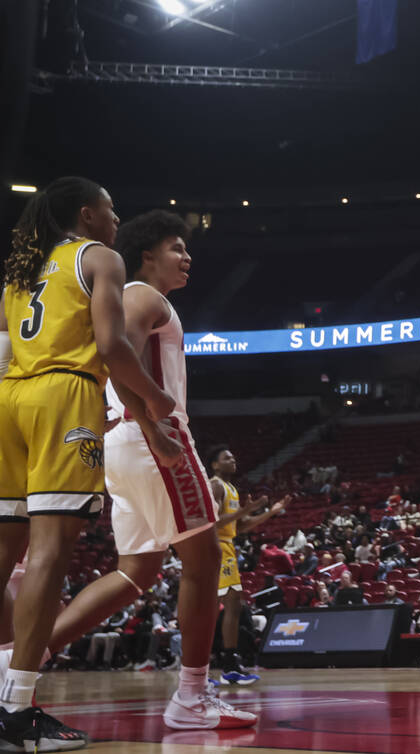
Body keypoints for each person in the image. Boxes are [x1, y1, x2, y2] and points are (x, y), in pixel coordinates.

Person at [0, 209, 258, 736]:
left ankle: (16, 664)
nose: (186, 257)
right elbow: (119, 361)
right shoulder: (143, 295)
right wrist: (157, 428)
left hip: (121, 441)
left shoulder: (133, 296)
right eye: (175, 247)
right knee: (205, 561)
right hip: (150, 436)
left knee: (133, 574)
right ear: (147, 254)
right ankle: (191, 694)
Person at [0, 179, 179, 749]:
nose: (115, 218)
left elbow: (2, 354)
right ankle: (16, 707)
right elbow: (111, 345)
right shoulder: (97, 256)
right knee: (49, 552)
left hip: (8, 400)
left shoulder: (21, 270)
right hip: (63, 395)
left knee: (3, 552)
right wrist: (153, 399)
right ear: (86, 215)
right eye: (110, 208)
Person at [208, 446, 288, 685]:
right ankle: (217, 665)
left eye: (233, 456)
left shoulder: (232, 488)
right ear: (214, 465)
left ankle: (228, 664)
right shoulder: (215, 486)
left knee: (233, 605)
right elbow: (209, 522)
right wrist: (245, 510)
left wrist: (270, 512)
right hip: (215, 546)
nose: (233, 459)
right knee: (227, 605)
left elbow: (240, 526)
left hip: (227, 546)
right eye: (226, 457)